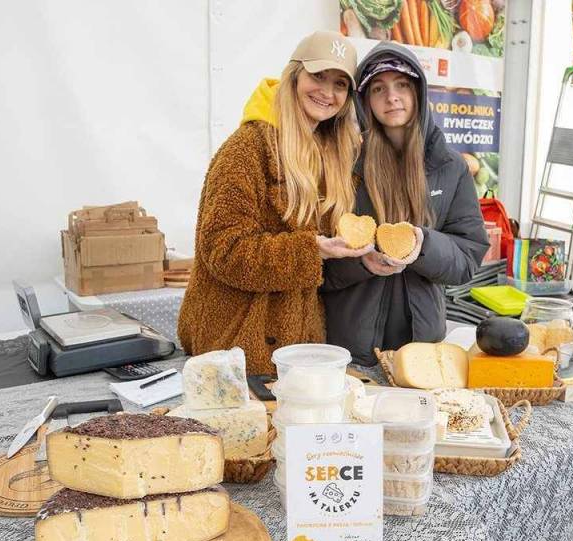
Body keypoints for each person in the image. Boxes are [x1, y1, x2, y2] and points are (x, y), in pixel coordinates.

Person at [177, 31, 371, 374]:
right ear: (294, 76)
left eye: (340, 84)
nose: (327, 92)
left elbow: (324, 261)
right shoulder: (246, 149)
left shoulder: (332, 155)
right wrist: (311, 249)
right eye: (318, 76)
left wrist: (365, 259)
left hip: (298, 347)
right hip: (236, 344)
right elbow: (223, 249)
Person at [321, 42, 489, 366]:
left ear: (418, 93)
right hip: (350, 347)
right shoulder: (343, 165)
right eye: (378, 89)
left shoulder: (450, 167)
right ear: (364, 100)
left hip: (421, 349)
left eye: (402, 85)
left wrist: (424, 245)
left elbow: (468, 258)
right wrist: (361, 262)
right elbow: (319, 265)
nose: (391, 97)